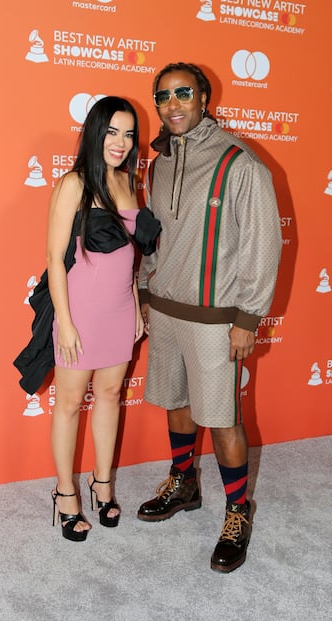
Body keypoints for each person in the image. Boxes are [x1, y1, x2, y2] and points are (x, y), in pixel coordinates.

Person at [137, 63, 282, 571]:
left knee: (222, 418)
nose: (173, 104)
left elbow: (263, 244)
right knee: (175, 402)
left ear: (203, 96)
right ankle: (184, 483)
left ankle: (238, 510)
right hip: (167, 308)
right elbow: (152, 238)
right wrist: (143, 291)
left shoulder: (239, 162)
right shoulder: (156, 165)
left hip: (216, 317)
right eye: (163, 96)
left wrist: (248, 318)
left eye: (183, 93)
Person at [46, 96, 160, 541]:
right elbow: (55, 259)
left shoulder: (129, 182)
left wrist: (133, 301)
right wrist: (66, 321)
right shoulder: (74, 183)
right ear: (95, 132)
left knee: (110, 395)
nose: (120, 141)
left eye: (129, 133)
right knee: (71, 403)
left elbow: (129, 253)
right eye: (112, 131)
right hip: (79, 312)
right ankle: (64, 493)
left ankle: (103, 483)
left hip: (117, 310)